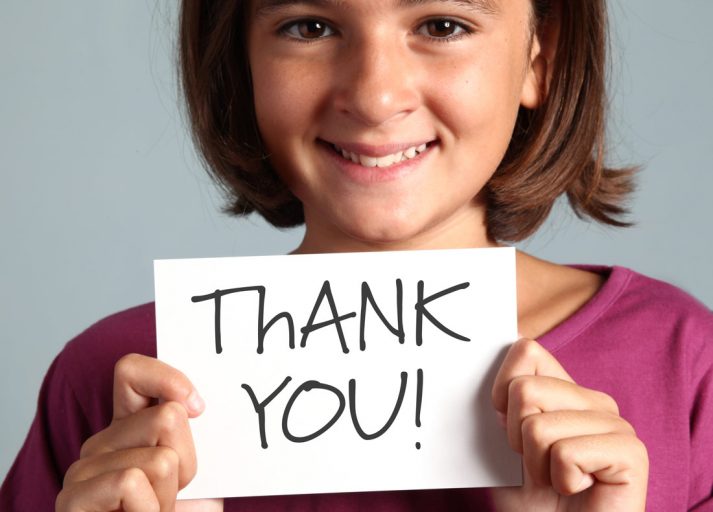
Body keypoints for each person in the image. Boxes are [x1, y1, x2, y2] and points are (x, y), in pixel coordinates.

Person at [2, 0, 711, 510]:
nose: (373, 97)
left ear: (539, 58)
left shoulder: (682, 362)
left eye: (441, 25)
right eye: (308, 27)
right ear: (239, 64)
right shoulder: (117, 382)